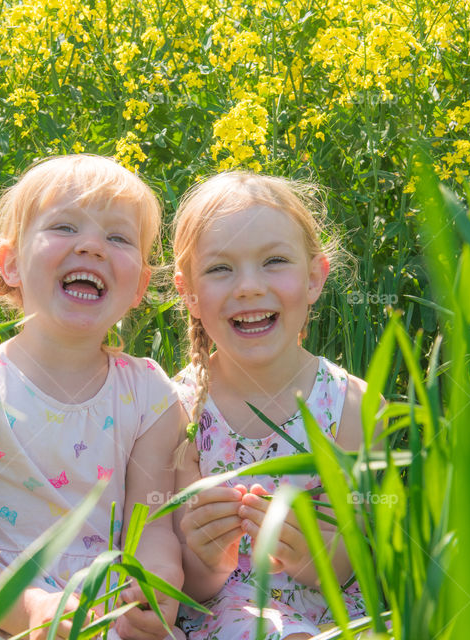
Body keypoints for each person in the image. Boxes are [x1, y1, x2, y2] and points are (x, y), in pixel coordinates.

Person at [0, 155, 185, 640]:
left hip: (105, 613)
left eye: (117, 238)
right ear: (10, 265)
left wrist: (155, 583)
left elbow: (153, 526)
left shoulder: (151, 394)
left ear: (139, 286)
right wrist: (32, 610)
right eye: (65, 227)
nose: (91, 246)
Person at [169, 172, 371, 639]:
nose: (249, 287)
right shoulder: (176, 407)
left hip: (327, 613)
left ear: (315, 277)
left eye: (274, 261)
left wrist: (306, 553)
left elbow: (347, 567)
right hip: (225, 614)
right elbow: (189, 586)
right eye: (220, 269)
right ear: (189, 294)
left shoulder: (352, 405)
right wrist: (209, 555)